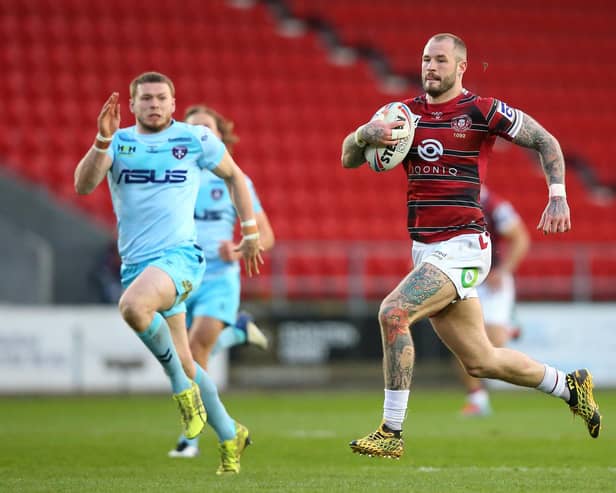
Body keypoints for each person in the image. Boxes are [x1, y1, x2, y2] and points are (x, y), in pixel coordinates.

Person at [340, 33, 601, 458]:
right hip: (426, 248)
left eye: (441, 60)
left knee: (394, 312)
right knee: (481, 361)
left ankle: (391, 431)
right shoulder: (402, 116)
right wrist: (362, 135)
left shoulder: (481, 110)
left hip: (464, 245)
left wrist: (557, 194)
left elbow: (545, 140)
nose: (431, 67)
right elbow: (348, 158)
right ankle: (570, 386)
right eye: (426, 59)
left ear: (461, 67)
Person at [74, 72, 263, 474]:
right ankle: (231, 434)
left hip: (181, 259)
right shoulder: (120, 141)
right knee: (187, 360)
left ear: (174, 103)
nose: (154, 104)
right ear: (133, 103)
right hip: (138, 265)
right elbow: (83, 185)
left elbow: (236, 178)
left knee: (133, 308)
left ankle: (182, 395)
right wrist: (101, 139)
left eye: (161, 98)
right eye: (146, 99)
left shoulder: (194, 139)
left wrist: (249, 232)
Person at [168, 105, 275, 458]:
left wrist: (241, 247)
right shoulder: (172, 175)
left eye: (206, 129)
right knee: (182, 357)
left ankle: (190, 435)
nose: (199, 134)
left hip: (218, 279)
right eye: (193, 127)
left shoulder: (235, 180)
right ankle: (239, 331)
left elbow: (266, 236)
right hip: (180, 275)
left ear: (219, 136)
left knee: (196, 350)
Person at [459, 185, 530, 416]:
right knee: (460, 341)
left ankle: (508, 329)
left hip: (491, 281)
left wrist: (505, 269)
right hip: (463, 278)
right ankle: (477, 399)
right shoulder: (448, 198)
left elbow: (520, 237)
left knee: (494, 344)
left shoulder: (493, 204)